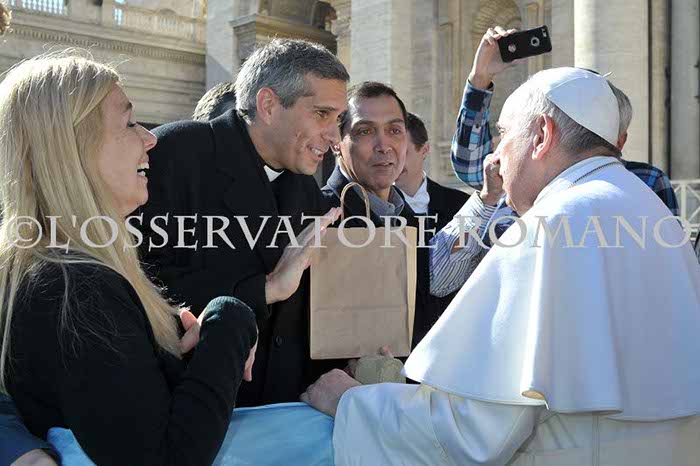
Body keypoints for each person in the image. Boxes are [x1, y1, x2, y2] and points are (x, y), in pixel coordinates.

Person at [302, 66, 700, 465]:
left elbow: (474, 432)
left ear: (541, 136)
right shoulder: (648, 208)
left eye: (505, 133)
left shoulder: (550, 224)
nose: (496, 155)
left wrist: (353, 403)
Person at [139, 38, 348, 406]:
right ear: (268, 105)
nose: (334, 137)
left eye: (339, 119)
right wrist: (261, 290)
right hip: (189, 411)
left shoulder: (305, 187)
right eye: (321, 114)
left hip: (281, 413)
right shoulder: (174, 154)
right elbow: (136, 292)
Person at [395, 112, 468, 231]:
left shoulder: (461, 204)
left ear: (424, 150)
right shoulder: (370, 208)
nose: (393, 162)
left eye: (402, 153)